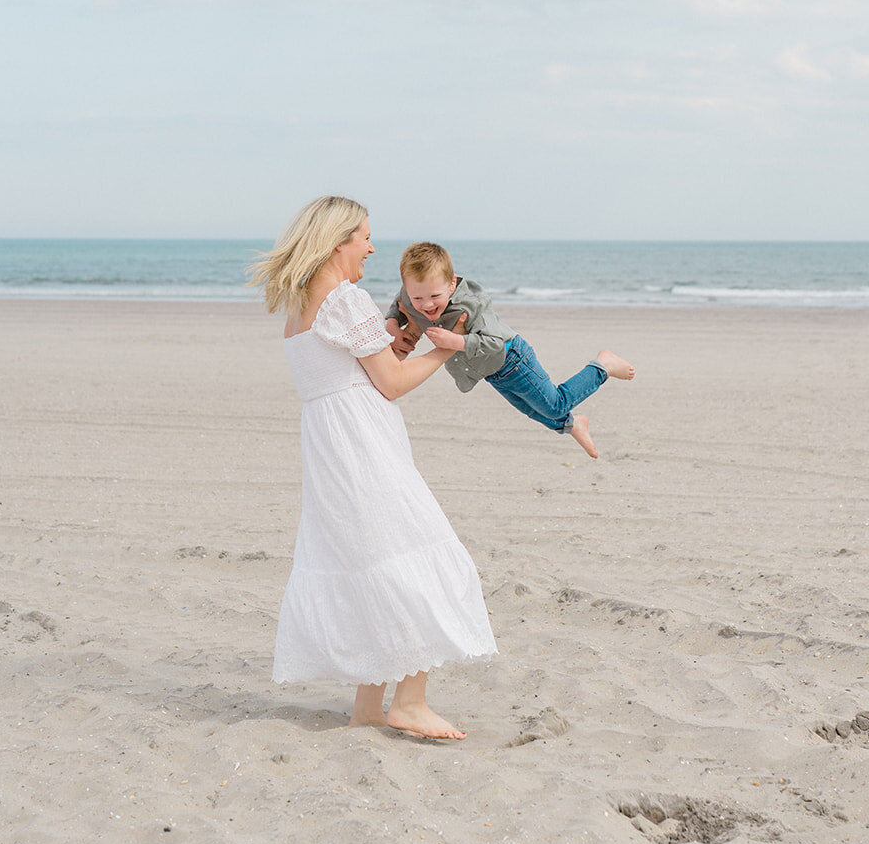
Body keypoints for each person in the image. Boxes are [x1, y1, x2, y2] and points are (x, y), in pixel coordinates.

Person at [250, 197, 496, 741]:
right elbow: (390, 383)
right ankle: (409, 701)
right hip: (361, 447)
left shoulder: (303, 303)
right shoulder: (345, 298)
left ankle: (367, 708)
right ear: (339, 241)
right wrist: (449, 349)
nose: (371, 246)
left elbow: (363, 373)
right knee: (416, 552)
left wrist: (400, 345)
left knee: (374, 560)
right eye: (364, 236)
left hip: (335, 445)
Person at [385, 242, 635, 460]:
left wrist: (458, 342)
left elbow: (494, 342)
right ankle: (574, 424)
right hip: (491, 371)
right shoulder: (413, 292)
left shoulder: (472, 304)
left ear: (451, 285)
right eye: (417, 298)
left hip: (513, 358)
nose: (426, 305)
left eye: (434, 296)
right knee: (531, 410)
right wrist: (392, 322)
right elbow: (399, 304)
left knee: (555, 405)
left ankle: (602, 366)